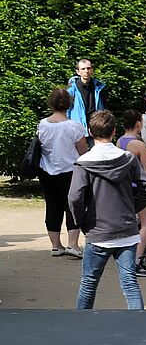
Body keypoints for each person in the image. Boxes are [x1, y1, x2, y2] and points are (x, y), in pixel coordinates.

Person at [68, 110, 146, 310]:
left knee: (89, 284)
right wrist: (132, 208)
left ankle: (80, 324)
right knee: (130, 283)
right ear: (114, 131)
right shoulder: (128, 158)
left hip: (98, 230)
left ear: (90, 132)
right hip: (126, 230)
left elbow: (74, 197)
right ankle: (140, 324)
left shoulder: (84, 163)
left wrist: (81, 221)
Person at [36, 88, 86, 258]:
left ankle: (56, 245)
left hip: (46, 170)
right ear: (69, 104)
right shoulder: (74, 126)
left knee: (52, 206)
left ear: (51, 103)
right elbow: (83, 151)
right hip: (70, 170)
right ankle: (73, 244)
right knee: (72, 205)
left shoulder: (42, 124)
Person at [118, 110, 146, 279]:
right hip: (139, 187)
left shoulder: (120, 141)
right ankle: (137, 261)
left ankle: (126, 259)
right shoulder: (139, 144)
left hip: (124, 187)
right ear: (138, 124)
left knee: (129, 223)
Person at [67, 58, 106, 131]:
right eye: (83, 69)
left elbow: (103, 109)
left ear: (92, 70)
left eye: (88, 68)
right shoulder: (71, 90)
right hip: (78, 129)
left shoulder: (99, 87)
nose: (86, 71)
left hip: (96, 128)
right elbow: (67, 111)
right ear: (78, 72)